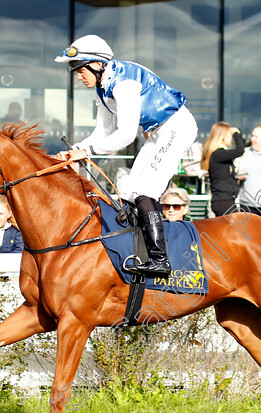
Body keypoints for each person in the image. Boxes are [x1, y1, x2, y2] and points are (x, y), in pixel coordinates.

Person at [54, 35, 198, 277]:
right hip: (157, 133)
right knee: (127, 192)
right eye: (74, 69)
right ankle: (134, 251)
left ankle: (160, 260)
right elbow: (102, 132)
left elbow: (127, 135)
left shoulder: (124, 83)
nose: (78, 76)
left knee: (145, 191)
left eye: (79, 69)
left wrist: (86, 152)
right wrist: (76, 149)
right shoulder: (102, 89)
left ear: (97, 64)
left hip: (176, 128)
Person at [201, 122, 244, 216]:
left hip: (225, 200)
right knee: (236, 228)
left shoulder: (219, 154)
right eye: (230, 135)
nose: (231, 137)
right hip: (223, 201)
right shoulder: (218, 154)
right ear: (223, 137)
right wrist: (236, 133)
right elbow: (240, 150)